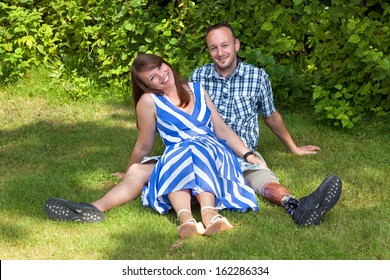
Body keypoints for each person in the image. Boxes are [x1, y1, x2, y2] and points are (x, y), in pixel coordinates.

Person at [45, 23, 342, 227]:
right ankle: (93, 209)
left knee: (259, 175)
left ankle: (296, 205)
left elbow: (228, 128)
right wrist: (129, 167)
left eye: (161, 68)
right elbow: (145, 143)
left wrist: (253, 153)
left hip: (224, 152)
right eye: (152, 78)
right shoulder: (177, 89)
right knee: (138, 171)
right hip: (184, 154)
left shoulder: (218, 84)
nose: (161, 76)